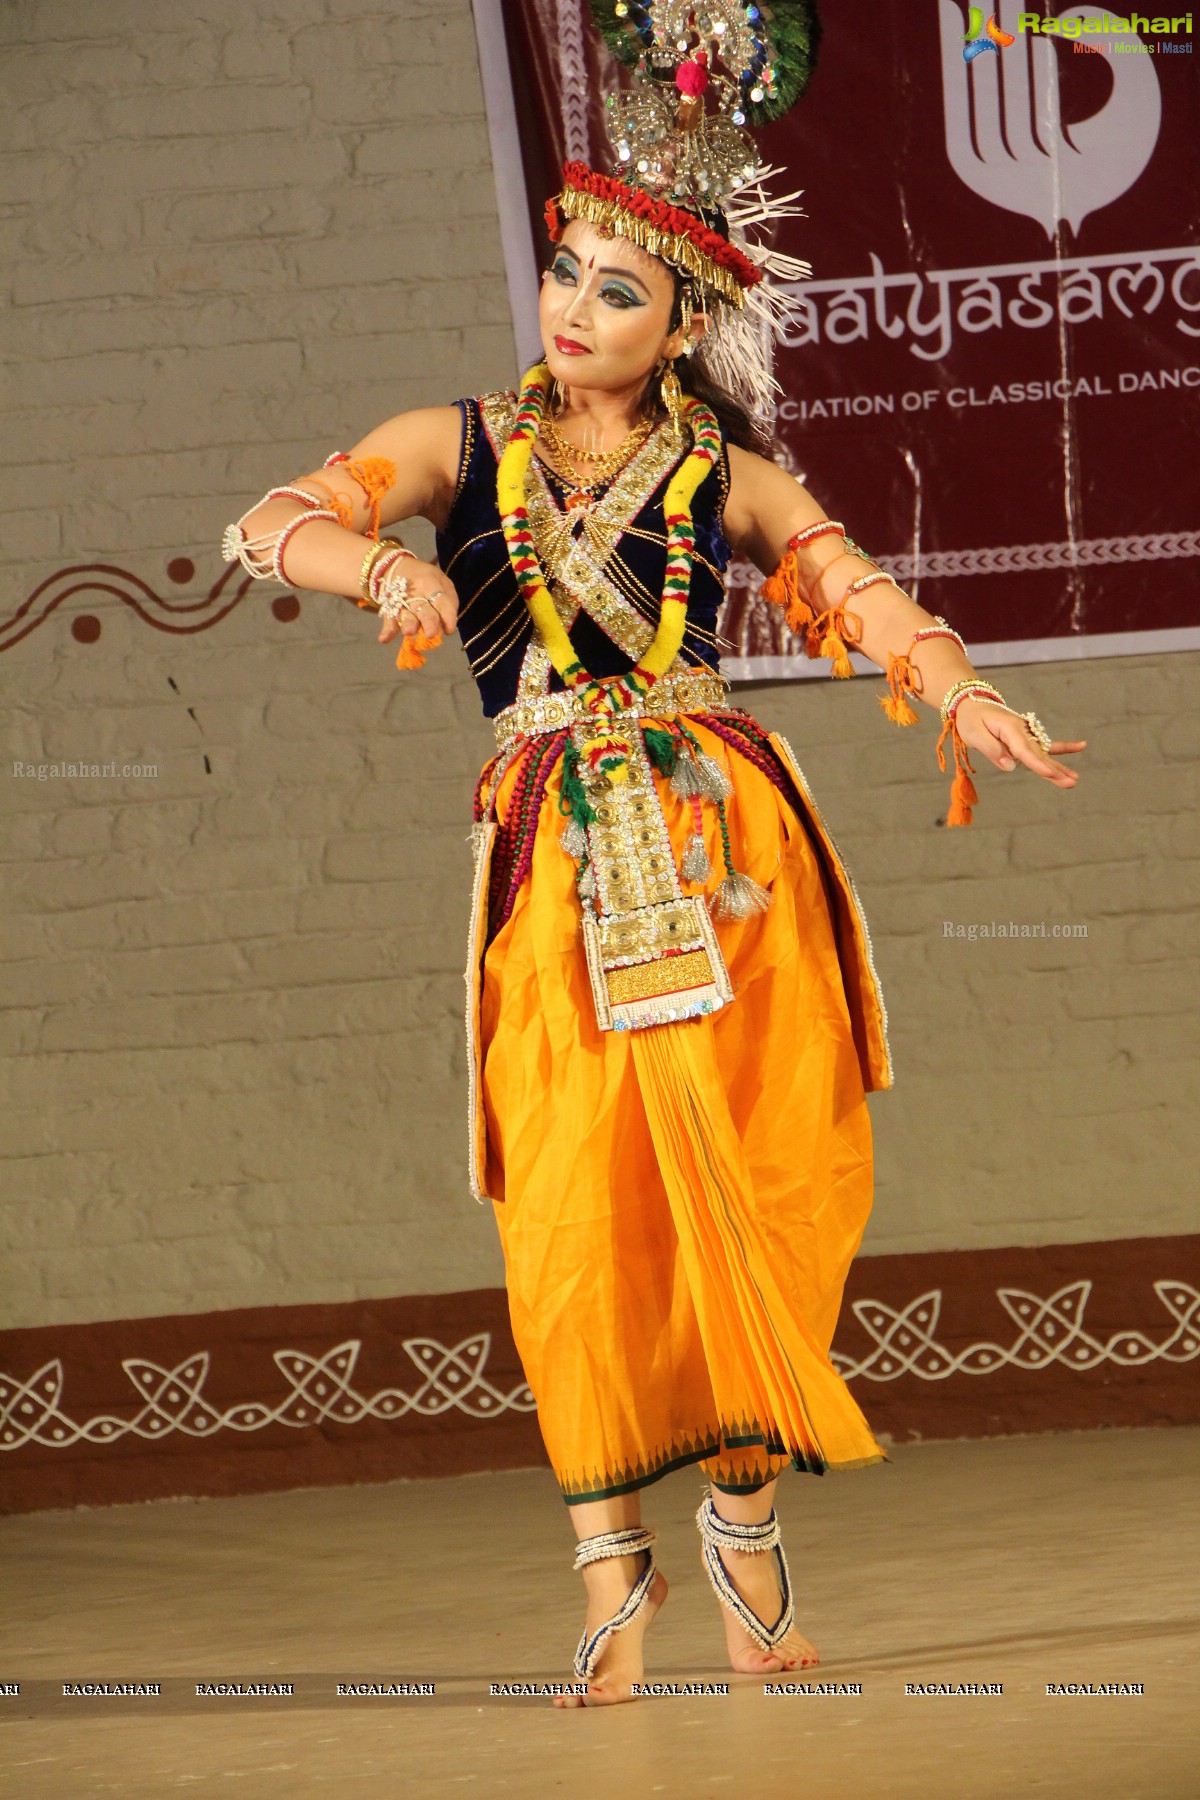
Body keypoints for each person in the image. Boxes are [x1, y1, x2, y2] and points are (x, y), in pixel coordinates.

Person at [222, 0, 1085, 1709]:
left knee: (773, 1181)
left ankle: (747, 1528)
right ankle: (610, 1570)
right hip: (555, 865)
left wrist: (955, 684)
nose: (576, 309)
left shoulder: (727, 471)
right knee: (576, 1205)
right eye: (565, 274)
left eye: (622, 290)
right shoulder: (465, 445)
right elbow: (272, 521)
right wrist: (374, 568)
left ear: (688, 320)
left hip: (731, 855)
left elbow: (858, 589)